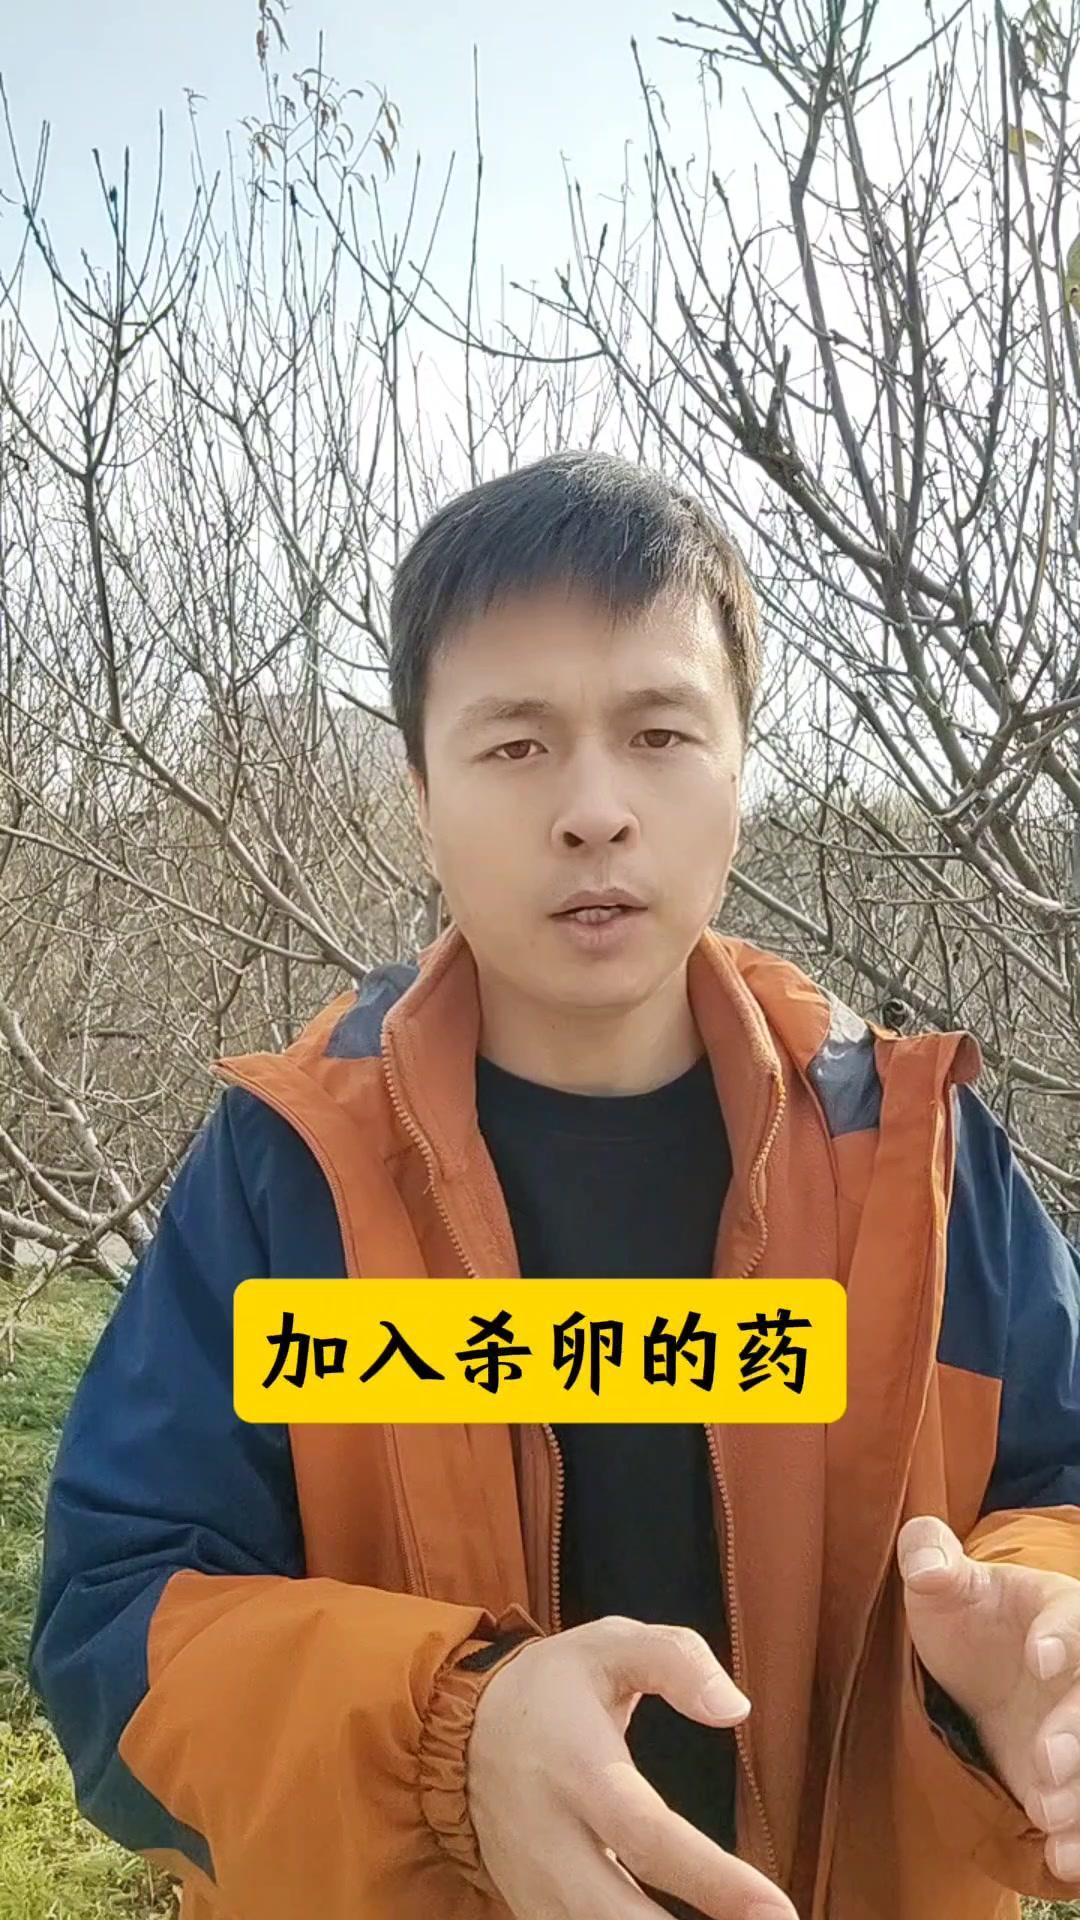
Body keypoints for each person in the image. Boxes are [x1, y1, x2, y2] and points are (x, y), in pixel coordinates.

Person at [27, 450, 1080, 1920]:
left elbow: (1052, 1491)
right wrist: (448, 1749)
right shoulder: (297, 1170)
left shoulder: (912, 1161)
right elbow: (117, 1633)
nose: (595, 809)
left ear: (738, 771)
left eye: (658, 733)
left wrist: (1030, 1648)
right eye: (516, 746)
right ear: (421, 791)